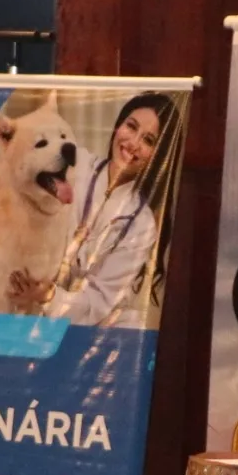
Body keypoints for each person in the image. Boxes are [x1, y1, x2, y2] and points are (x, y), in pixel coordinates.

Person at [22, 93, 177, 327]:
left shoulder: (142, 225)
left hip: (99, 332)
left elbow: (99, 303)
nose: (133, 143)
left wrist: (49, 296)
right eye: (131, 126)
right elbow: (8, 159)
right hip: (36, 307)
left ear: (159, 155)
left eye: (148, 140)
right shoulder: (77, 163)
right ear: (117, 126)